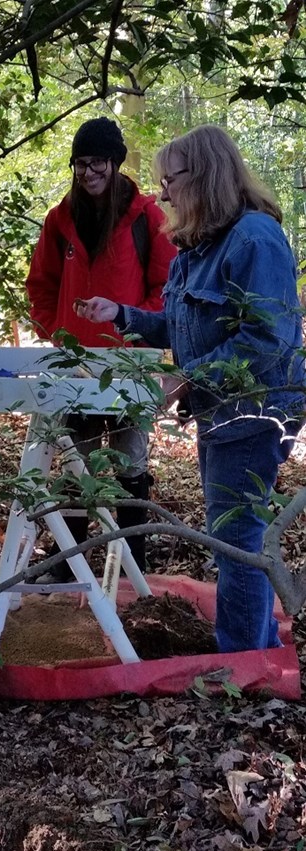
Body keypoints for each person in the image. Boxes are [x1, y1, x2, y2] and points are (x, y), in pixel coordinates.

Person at [76, 124, 305, 652]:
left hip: (254, 410)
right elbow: (180, 327)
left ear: (204, 176)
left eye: (169, 180)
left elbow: (267, 337)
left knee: (238, 538)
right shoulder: (198, 245)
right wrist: (123, 315)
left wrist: (186, 377)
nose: (161, 193)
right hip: (219, 410)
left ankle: (245, 661)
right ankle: (254, 645)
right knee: (233, 535)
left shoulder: (254, 238)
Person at [26, 116, 176, 578]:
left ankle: (135, 561)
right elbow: (41, 284)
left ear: (115, 163)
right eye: (81, 164)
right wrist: (59, 332)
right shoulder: (61, 219)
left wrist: (137, 330)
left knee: (130, 460)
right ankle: (69, 564)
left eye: (99, 163)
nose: (89, 173)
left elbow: (165, 287)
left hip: (130, 362)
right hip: (76, 365)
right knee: (77, 463)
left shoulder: (146, 216)